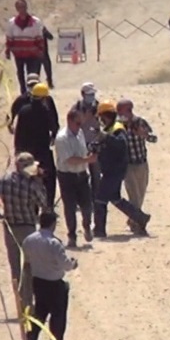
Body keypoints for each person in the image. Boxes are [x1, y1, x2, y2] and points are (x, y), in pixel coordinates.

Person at [0, 153, 48, 316]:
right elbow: (43, 204)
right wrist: (39, 183)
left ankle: (20, 305)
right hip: (28, 229)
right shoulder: (30, 185)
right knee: (29, 267)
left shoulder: (2, 181)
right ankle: (28, 305)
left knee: (15, 268)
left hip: (10, 227)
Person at [92, 101, 152, 238]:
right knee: (114, 198)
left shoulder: (118, 128)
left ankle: (100, 230)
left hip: (117, 170)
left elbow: (119, 144)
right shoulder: (110, 128)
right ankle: (140, 218)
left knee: (101, 199)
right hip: (114, 169)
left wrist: (105, 137)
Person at [22, 211, 77, 340]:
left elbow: (26, 260)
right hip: (55, 285)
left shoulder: (29, 240)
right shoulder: (54, 243)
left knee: (39, 314)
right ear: (52, 224)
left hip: (38, 282)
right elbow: (65, 264)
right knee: (58, 318)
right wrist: (73, 264)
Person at [12, 82, 59, 207]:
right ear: (43, 98)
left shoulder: (23, 110)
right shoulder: (45, 111)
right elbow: (54, 126)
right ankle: (48, 205)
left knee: (27, 177)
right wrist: (53, 137)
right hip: (42, 150)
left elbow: (19, 131)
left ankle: (30, 205)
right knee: (49, 177)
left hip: (27, 151)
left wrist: (17, 149)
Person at [54, 109, 96, 249]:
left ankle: (87, 226)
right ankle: (71, 235)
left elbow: (83, 150)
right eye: (77, 123)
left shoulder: (80, 133)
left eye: (81, 123)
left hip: (82, 174)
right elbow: (69, 160)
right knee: (70, 207)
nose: (80, 126)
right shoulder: (61, 138)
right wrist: (88, 159)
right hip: (67, 176)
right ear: (70, 121)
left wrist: (89, 153)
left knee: (87, 205)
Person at [115, 98, 157, 235]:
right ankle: (139, 224)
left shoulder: (140, 122)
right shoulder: (118, 125)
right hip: (128, 166)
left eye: (120, 110)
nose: (119, 113)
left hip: (142, 163)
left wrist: (143, 134)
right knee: (134, 197)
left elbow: (153, 138)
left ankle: (133, 219)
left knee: (141, 193)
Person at [5, 0, 46, 93]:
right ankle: (23, 93)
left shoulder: (35, 22)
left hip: (33, 54)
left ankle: (33, 92)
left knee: (32, 75)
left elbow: (39, 38)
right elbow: (9, 38)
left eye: (23, 7)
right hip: (19, 54)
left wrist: (40, 51)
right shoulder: (12, 23)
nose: (21, 9)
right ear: (16, 9)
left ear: (26, 7)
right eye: (19, 7)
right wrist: (8, 51)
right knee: (20, 74)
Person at [71, 82, 103, 200]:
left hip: (95, 145)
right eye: (89, 94)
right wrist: (85, 118)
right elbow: (72, 126)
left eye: (93, 94)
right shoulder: (77, 108)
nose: (92, 97)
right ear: (83, 94)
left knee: (96, 174)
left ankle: (97, 197)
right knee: (80, 173)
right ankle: (82, 197)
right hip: (80, 145)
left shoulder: (99, 107)